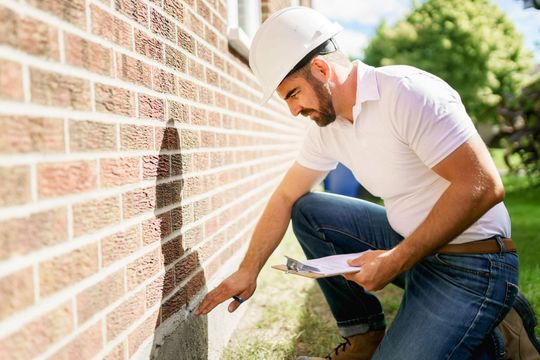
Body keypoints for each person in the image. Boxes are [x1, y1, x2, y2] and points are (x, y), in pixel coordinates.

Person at [195, 6, 540, 360]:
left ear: (321, 69)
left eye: (293, 94)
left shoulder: (408, 93)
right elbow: (285, 196)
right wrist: (248, 270)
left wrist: (395, 260)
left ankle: (495, 334)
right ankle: (364, 338)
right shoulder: (328, 128)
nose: (293, 111)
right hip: (416, 251)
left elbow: (482, 186)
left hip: (474, 264)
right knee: (309, 210)